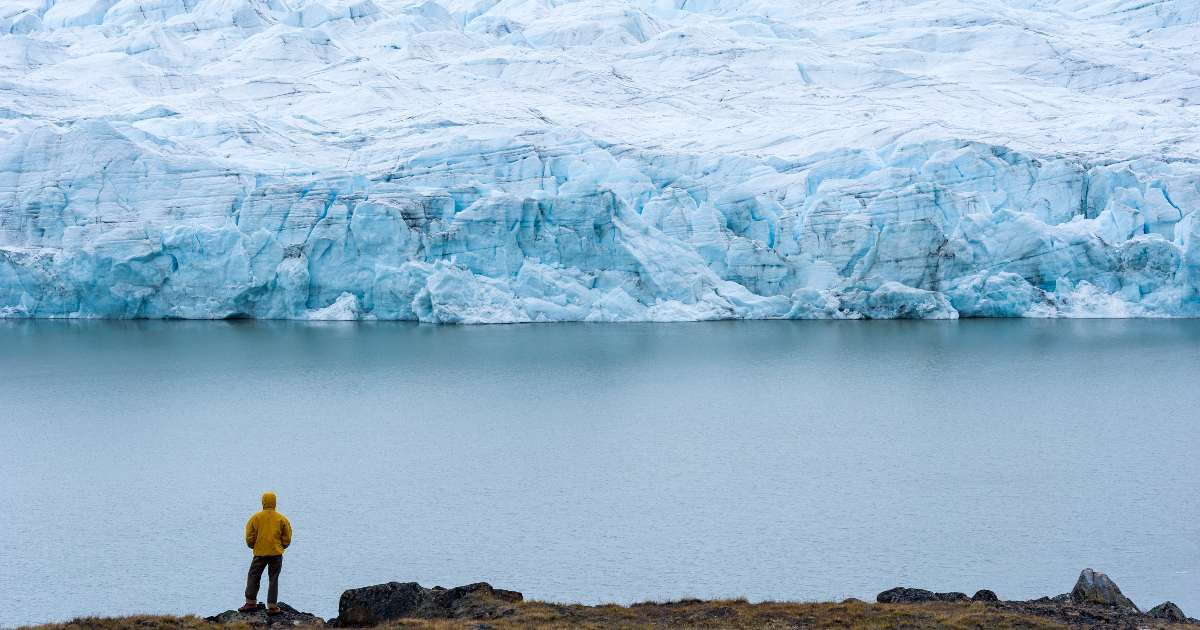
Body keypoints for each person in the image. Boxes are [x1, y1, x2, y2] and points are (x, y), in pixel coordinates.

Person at [240, 492, 293, 614]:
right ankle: (273, 606)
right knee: (273, 579)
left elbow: (249, 536)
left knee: (254, 576)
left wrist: (253, 545)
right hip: (276, 553)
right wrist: (282, 546)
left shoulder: (255, 518)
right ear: (274, 502)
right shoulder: (281, 518)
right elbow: (287, 537)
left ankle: (250, 602)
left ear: (263, 502)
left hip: (260, 553)